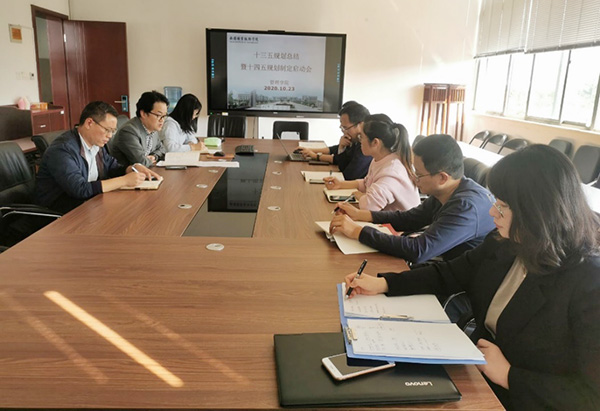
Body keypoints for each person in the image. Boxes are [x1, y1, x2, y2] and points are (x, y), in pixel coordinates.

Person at [343, 145, 600, 410]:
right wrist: (385, 283)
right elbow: (450, 273)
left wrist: (510, 376)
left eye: (502, 206)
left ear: (538, 212)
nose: (492, 213)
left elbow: (591, 397)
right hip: (475, 365)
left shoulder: (589, 282)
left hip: (521, 396)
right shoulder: (507, 241)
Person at [330, 134, 494, 264]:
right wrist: (360, 215)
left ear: (442, 178)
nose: (414, 179)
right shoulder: (448, 189)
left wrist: (357, 231)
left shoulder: (466, 206)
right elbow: (409, 218)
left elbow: (418, 251)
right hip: (442, 263)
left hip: (459, 284)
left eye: (419, 174)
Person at [36, 101, 161, 213]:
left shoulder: (96, 144)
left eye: (113, 131)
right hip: (61, 213)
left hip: (90, 204)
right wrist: (125, 180)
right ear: (89, 123)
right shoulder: (63, 149)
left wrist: (133, 168)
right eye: (107, 130)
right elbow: (79, 189)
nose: (110, 136)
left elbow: (112, 167)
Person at [323, 114, 420, 212]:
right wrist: (340, 184)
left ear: (375, 142)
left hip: (399, 222)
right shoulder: (379, 159)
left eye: (361, 137)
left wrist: (359, 195)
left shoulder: (392, 171)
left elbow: (369, 206)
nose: (359, 141)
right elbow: (367, 183)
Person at [296, 101, 372, 180]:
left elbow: (348, 176)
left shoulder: (366, 146)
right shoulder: (355, 140)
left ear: (360, 124)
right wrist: (341, 148)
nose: (343, 131)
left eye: (345, 128)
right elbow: (342, 164)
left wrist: (316, 156)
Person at [109, 90, 168, 166]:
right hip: (127, 172)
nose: (162, 120)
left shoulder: (152, 128)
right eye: (159, 115)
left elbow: (162, 149)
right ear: (143, 113)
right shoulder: (129, 131)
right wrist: (148, 160)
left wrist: (154, 156)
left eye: (164, 116)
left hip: (145, 170)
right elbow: (141, 162)